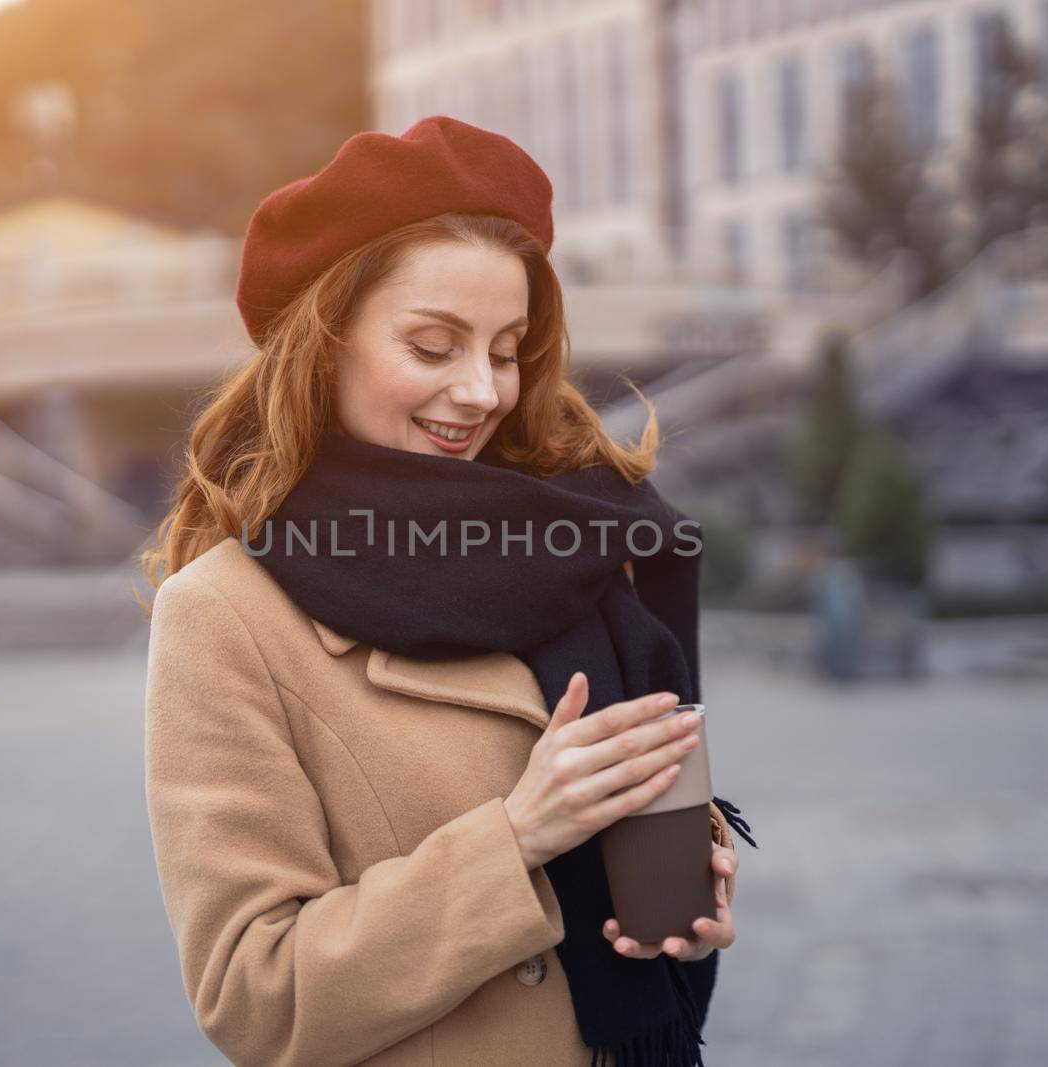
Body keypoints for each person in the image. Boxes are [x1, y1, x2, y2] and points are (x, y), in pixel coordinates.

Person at [140, 114, 756, 1067]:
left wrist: (690, 890)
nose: (481, 391)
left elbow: (650, 803)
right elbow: (254, 996)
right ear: (324, 343)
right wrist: (516, 839)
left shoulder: (582, 536)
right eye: (434, 346)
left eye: (505, 349)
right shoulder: (222, 613)